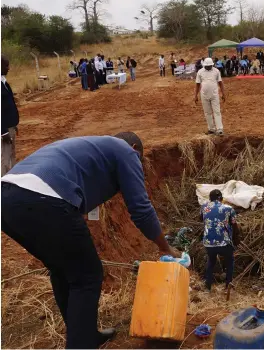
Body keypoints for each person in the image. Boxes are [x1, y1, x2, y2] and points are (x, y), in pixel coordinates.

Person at [1, 132, 179, 349]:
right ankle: (81, 344)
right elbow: (141, 209)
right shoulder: (127, 152)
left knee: (62, 269)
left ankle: (84, 336)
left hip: (7, 199)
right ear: (134, 148)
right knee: (88, 275)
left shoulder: (93, 150)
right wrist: (166, 247)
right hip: (43, 197)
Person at [201, 189, 240, 291]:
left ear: (210, 199)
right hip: (224, 243)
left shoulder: (204, 207)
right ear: (221, 198)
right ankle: (228, 285)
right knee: (230, 260)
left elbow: (202, 218)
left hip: (208, 243)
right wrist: (236, 238)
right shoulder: (228, 208)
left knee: (211, 261)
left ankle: (208, 286)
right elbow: (235, 225)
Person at [194, 57, 225, 136]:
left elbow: (220, 83)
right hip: (204, 95)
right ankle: (211, 129)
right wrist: (195, 95)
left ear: (212, 65)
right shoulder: (200, 72)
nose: (208, 67)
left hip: (215, 94)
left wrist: (223, 94)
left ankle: (219, 129)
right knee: (207, 112)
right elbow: (197, 84)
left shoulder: (216, 71)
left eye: (210, 66)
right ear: (204, 65)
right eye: (207, 66)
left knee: (217, 111)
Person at [1, 56, 19, 177]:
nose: (9, 68)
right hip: (4, 130)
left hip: (9, 126)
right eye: (6, 65)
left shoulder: (3, 82)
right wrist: (3, 132)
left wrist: (13, 124)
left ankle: (11, 181)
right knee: (4, 159)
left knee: (12, 156)